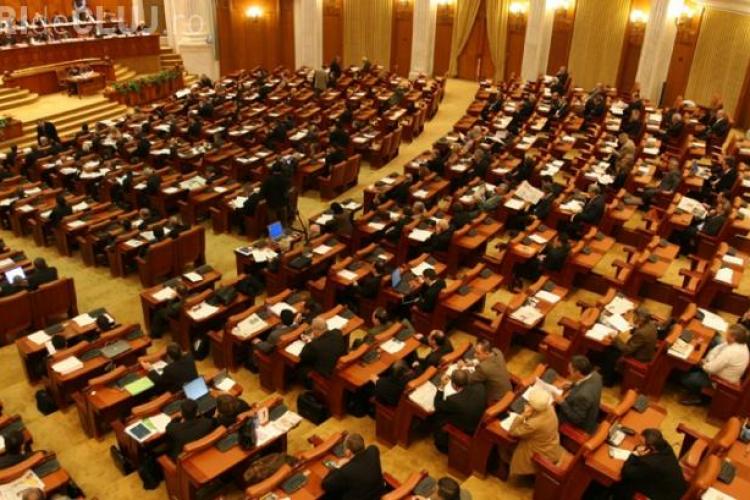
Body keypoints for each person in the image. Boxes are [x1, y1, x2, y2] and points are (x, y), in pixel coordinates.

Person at [680, 324, 749, 406]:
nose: (725, 335)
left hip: (719, 382)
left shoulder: (732, 352)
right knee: (693, 366)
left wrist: (703, 363)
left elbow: (711, 369)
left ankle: (698, 397)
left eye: (727, 334)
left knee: (686, 378)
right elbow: (716, 350)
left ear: (733, 338)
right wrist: (708, 361)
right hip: (715, 370)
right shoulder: (740, 344)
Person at [610, 428, 688, 500]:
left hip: (666, 496)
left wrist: (634, 455)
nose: (640, 445)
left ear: (652, 447)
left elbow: (626, 472)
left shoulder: (652, 463)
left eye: (642, 443)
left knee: (624, 483)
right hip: (677, 488)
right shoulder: (666, 447)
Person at [508, 388, 562, 477]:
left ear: (533, 406)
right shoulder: (550, 408)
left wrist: (522, 415)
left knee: (506, 445)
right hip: (551, 446)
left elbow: (512, 431)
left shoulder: (533, 424)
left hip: (539, 453)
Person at [601, 307, 658, 386]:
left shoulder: (642, 333)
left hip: (640, 357)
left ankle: (608, 380)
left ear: (640, 319)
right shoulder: (651, 325)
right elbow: (638, 331)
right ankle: (605, 371)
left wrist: (615, 339)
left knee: (612, 350)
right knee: (615, 346)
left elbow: (627, 350)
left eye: (635, 316)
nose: (633, 318)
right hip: (646, 353)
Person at [433, 369, 486, 453]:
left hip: (465, 430)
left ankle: (441, 441)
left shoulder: (454, 400)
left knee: (439, 414)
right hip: (476, 423)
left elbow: (437, 404)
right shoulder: (480, 387)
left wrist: (442, 386)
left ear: (454, 385)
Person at [321, 433, 383, 499]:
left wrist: (338, 466)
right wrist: (351, 460)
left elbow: (325, 484)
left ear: (348, 451)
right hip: (377, 494)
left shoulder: (346, 471)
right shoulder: (373, 450)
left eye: (344, 448)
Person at [556, 355, 602, 433]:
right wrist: (571, 385)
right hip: (587, 410)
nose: (568, 370)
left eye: (570, 369)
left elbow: (576, 419)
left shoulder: (583, 395)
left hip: (580, 425)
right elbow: (583, 383)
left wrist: (562, 402)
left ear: (578, 373)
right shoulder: (596, 375)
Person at [466, 339, 511, 404]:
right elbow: (485, 359)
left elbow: (469, 379)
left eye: (478, 353)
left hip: (496, 400)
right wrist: (474, 362)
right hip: (508, 392)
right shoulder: (497, 351)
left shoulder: (483, 368)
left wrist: (463, 369)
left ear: (487, 353)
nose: (474, 355)